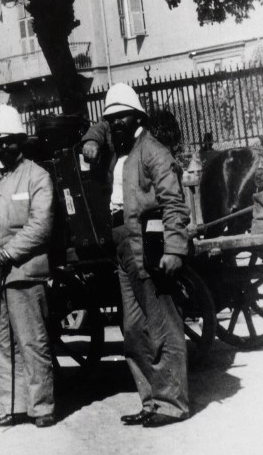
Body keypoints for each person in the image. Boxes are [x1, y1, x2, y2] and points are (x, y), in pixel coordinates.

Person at [83, 83, 190, 428]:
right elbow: (99, 127)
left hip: (148, 245)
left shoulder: (153, 152)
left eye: (121, 118)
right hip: (122, 246)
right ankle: (151, 401)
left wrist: (174, 249)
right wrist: (92, 138)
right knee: (133, 329)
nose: (115, 124)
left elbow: (174, 203)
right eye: (111, 119)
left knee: (162, 326)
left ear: (137, 117)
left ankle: (172, 403)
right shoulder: (121, 147)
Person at [0, 104, 56, 429]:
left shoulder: (37, 176)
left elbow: (40, 226)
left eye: (10, 140)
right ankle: (7, 404)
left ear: (21, 140)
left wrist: (8, 253)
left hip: (24, 272)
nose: (3, 146)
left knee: (31, 340)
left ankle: (40, 406)